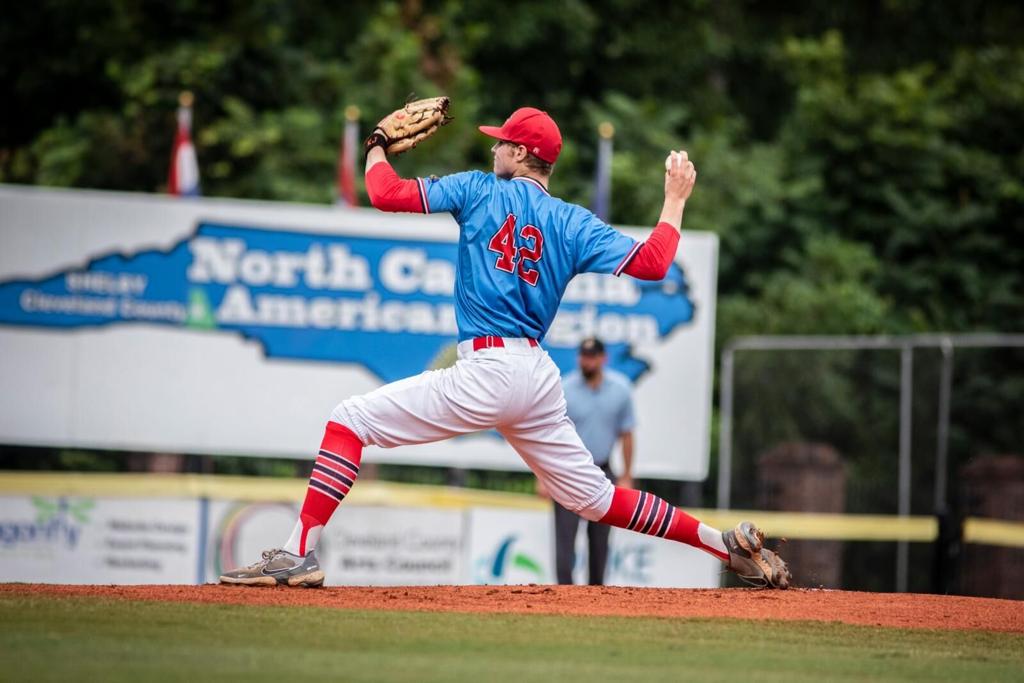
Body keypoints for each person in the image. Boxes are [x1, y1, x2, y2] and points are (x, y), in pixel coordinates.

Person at [219, 106, 790, 589]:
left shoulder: (477, 189)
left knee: (347, 421)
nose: (495, 151)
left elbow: (384, 192)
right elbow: (654, 261)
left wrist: (376, 144)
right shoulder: (571, 220)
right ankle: (723, 544)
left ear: (519, 154)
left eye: (502, 144)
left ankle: (298, 550)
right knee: (593, 498)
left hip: (486, 369)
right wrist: (674, 200)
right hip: (536, 376)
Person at [543, 336, 635, 585]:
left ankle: (596, 597)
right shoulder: (565, 388)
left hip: (603, 470)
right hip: (567, 472)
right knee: (564, 540)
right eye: (583, 356)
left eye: (592, 356)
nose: (587, 361)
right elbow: (547, 434)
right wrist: (542, 476)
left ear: (603, 358)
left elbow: (627, 434)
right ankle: (564, 595)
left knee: (600, 542)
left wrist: (626, 475)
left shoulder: (621, 389)